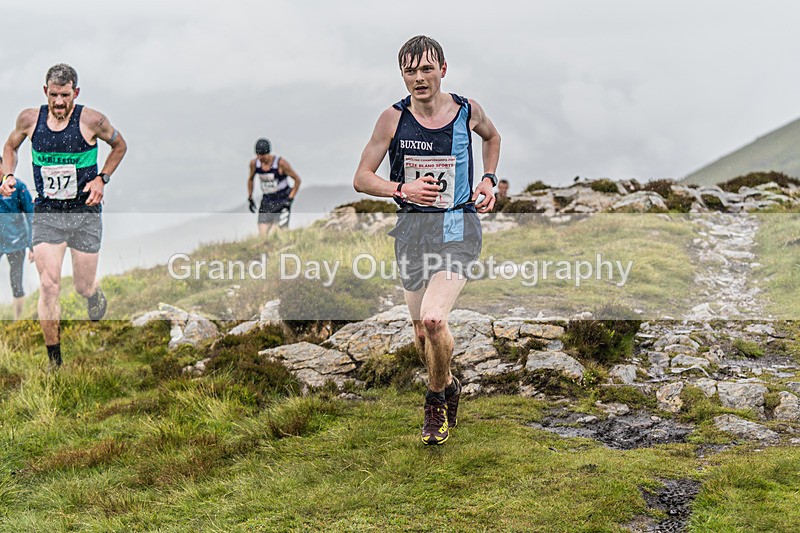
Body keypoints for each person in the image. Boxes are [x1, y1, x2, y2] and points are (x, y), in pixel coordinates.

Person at [354, 35, 501, 445]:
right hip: (412, 235)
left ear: (443, 69)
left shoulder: (467, 111)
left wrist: (488, 180)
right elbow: (362, 178)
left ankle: (435, 400)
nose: (419, 78)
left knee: (436, 320)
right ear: (402, 75)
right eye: (410, 70)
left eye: (426, 69)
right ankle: (449, 383)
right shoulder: (392, 119)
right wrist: (402, 189)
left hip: (458, 230)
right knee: (422, 334)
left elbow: (493, 138)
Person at [0, 64, 127, 369]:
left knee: (82, 286)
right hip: (48, 212)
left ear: (76, 93)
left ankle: (94, 294)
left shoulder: (92, 120)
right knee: (48, 285)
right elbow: (10, 146)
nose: (59, 102)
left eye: (65, 95)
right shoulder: (30, 120)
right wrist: (7, 174)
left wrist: (102, 179)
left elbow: (119, 146)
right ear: (45, 92)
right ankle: (54, 361)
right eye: (54, 95)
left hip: (84, 212)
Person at [0, 156, 34, 320]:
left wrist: (32, 245)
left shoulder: (18, 187)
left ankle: (17, 319)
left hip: (16, 242)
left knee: (16, 282)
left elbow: (31, 214)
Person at [247, 138, 301, 236]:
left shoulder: (281, 164)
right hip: (267, 200)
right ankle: (263, 251)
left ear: (268, 153)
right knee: (262, 235)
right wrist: (250, 198)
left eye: (263, 155)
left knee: (279, 233)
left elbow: (297, 180)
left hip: (282, 200)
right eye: (258, 155)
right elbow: (250, 179)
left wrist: (290, 198)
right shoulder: (254, 164)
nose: (261, 158)